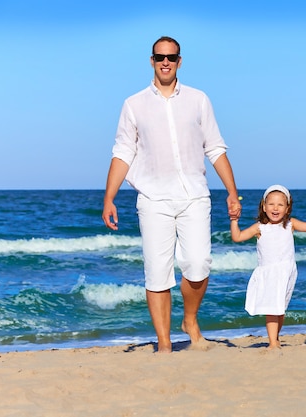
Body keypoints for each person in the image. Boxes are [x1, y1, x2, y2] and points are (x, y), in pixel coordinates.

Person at [102, 36, 242, 353]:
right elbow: (122, 153)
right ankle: (164, 344)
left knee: (198, 264)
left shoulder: (198, 100)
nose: (166, 62)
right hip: (153, 198)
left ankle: (189, 319)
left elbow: (216, 148)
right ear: (151, 60)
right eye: (159, 57)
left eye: (171, 57)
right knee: (157, 272)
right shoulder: (133, 104)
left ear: (180, 61)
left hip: (194, 195)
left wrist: (233, 192)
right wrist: (109, 198)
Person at [230, 185, 306, 350]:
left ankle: (275, 338)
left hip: (286, 272)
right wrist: (234, 220)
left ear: (287, 208)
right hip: (269, 273)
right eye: (271, 204)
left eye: (280, 205)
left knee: (280, 308)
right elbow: (237, 237)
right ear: (264, 206)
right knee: (272, 308)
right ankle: (273, 343)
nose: (275, 208)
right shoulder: (259, 227)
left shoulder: (290, 224)